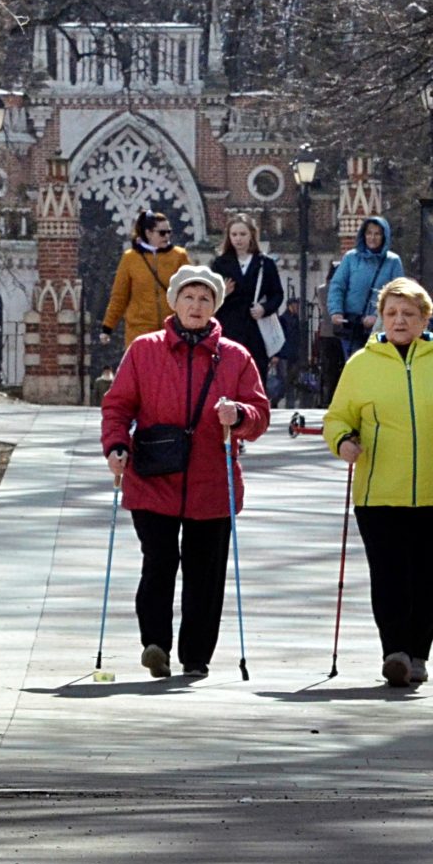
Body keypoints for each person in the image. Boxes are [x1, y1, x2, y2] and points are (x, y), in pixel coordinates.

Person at [322, 277, 433, 688]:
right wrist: (343, 442)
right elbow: (336, 418)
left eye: (409, 314)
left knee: (428, 576)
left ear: (424, 319)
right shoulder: (361, 364)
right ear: (381, 317)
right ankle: (394, 652)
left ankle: (418, 654)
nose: (399, 321)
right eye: (391, 313)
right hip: (379, 490)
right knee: (389, 575)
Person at [100, 266, 271, 678]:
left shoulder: (235, 356)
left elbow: (260, 414)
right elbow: (118, 405)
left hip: (212, 480)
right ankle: (155, 643)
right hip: (154, 476)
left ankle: (195, 656)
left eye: (205, 299)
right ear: (174, 302)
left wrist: (240, 413)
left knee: (205, 574)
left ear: (216, 306)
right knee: (158, 561)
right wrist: (117, 445)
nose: (196, 306)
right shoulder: (144, 350)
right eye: (189, 298)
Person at [210, 214, 285, 387]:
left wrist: (264, 308)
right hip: (229, 326)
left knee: (256, 373)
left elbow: (277, 294)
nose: (238, 239)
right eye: (234, 234)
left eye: (242, 234)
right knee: (229, 373)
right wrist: (222, 293)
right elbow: (209, 296)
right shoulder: (220, 264)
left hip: (255, 327)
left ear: (251, 235)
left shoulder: (265, 263)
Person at [324, 216, 404, 376]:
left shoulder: (393, 261)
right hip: (352, 326)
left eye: (377, 234)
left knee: (377, 371)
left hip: (380, 328)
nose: (372, 238)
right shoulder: (351, 258)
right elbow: (337, 285)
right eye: (369, 233)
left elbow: (398, 294)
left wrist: (378, 317)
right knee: (355, 370)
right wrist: (336, 311)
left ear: (384, 236)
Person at [102, 209, 189, 344]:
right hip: (139, 331)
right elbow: (119, 296)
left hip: (172, 330)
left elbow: (191, 290)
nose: (167, 236)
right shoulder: (130, 258)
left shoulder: (179, 256)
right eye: (162, 233)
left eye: (169, 232)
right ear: (148, 233)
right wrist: (107, 327)